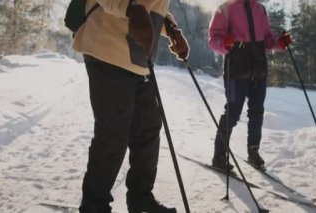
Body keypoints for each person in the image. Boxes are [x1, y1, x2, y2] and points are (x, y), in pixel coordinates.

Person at [71, 0, 189, 212]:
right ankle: (94, 207)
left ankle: (140, 198)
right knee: (113, 135)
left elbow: (150, 5)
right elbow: (135, 6)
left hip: (139, 59)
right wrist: (130, 8)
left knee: (148, 129)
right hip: (108, 49)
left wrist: (170, 27)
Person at [208, 0, 291, 171]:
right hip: (236, 69)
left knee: (257, 111)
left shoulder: (260, 9)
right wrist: (224, 43)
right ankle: (219, 156)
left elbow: (267, 39)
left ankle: (253, 151)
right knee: (232, 112)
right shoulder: (226, 8)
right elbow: (213, 39)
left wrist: (280, 43)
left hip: (258, 68)